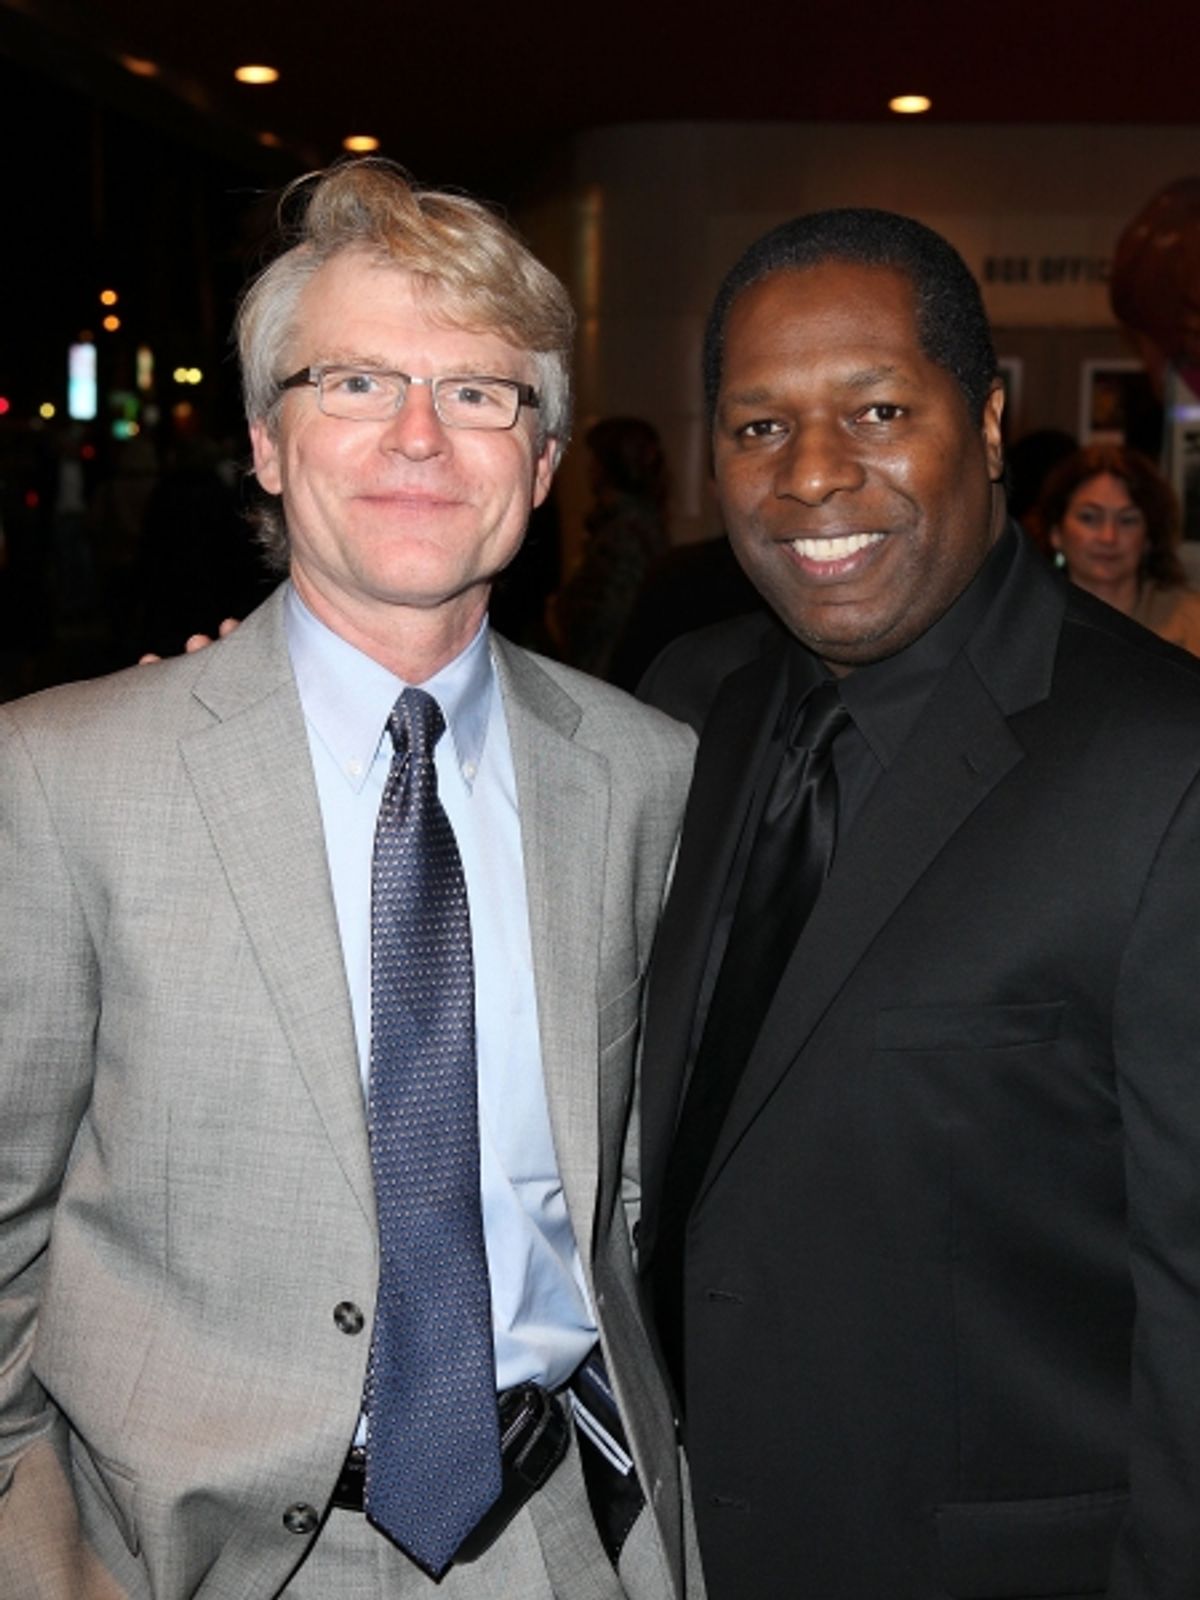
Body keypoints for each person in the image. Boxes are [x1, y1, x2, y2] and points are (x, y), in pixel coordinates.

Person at [0, 160, 698, 1600]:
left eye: (482, 392)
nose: (420, 439)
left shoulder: (645, 775)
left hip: (562, 1535)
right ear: (266, 443)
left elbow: (632, 1195)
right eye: (356, 384)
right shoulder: (64, 777)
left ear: (546, 460)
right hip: (171, 1559)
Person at [636, 208, 1200, 1599]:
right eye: (759, 428)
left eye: (880, 409)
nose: (815, 477)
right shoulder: (685, 711)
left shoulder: (1163, 767)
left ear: (993, 421)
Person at [1038, 440, 1200, 654]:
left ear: (1149, 537)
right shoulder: (1023, 619)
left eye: (1127, 520)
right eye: (1089, 518)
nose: (1108, 537)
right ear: (1056, 532)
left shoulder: (1192, 623)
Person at [550, 417, 670, 680]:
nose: (588, 470)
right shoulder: (635, 522)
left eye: (594, 461)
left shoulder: (623, 532)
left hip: (607, 673)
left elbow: (606, 617)